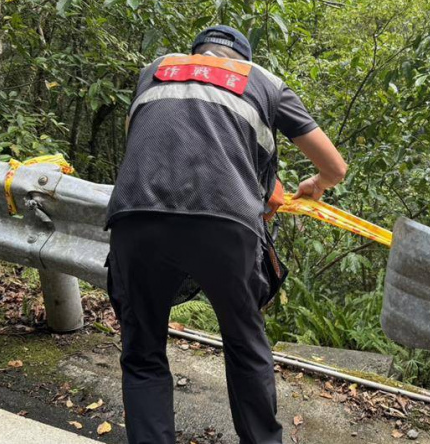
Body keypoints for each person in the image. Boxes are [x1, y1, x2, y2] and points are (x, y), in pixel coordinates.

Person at [103, 25, 347, 444]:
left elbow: (155, 143)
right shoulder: (262, 80)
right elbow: (335, 168)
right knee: (243, 342)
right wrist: (316, 185)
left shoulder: (156, 70)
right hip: (225, 224)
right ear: (242, 58)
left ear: (196, 52)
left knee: (143, 353)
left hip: (136, 215)